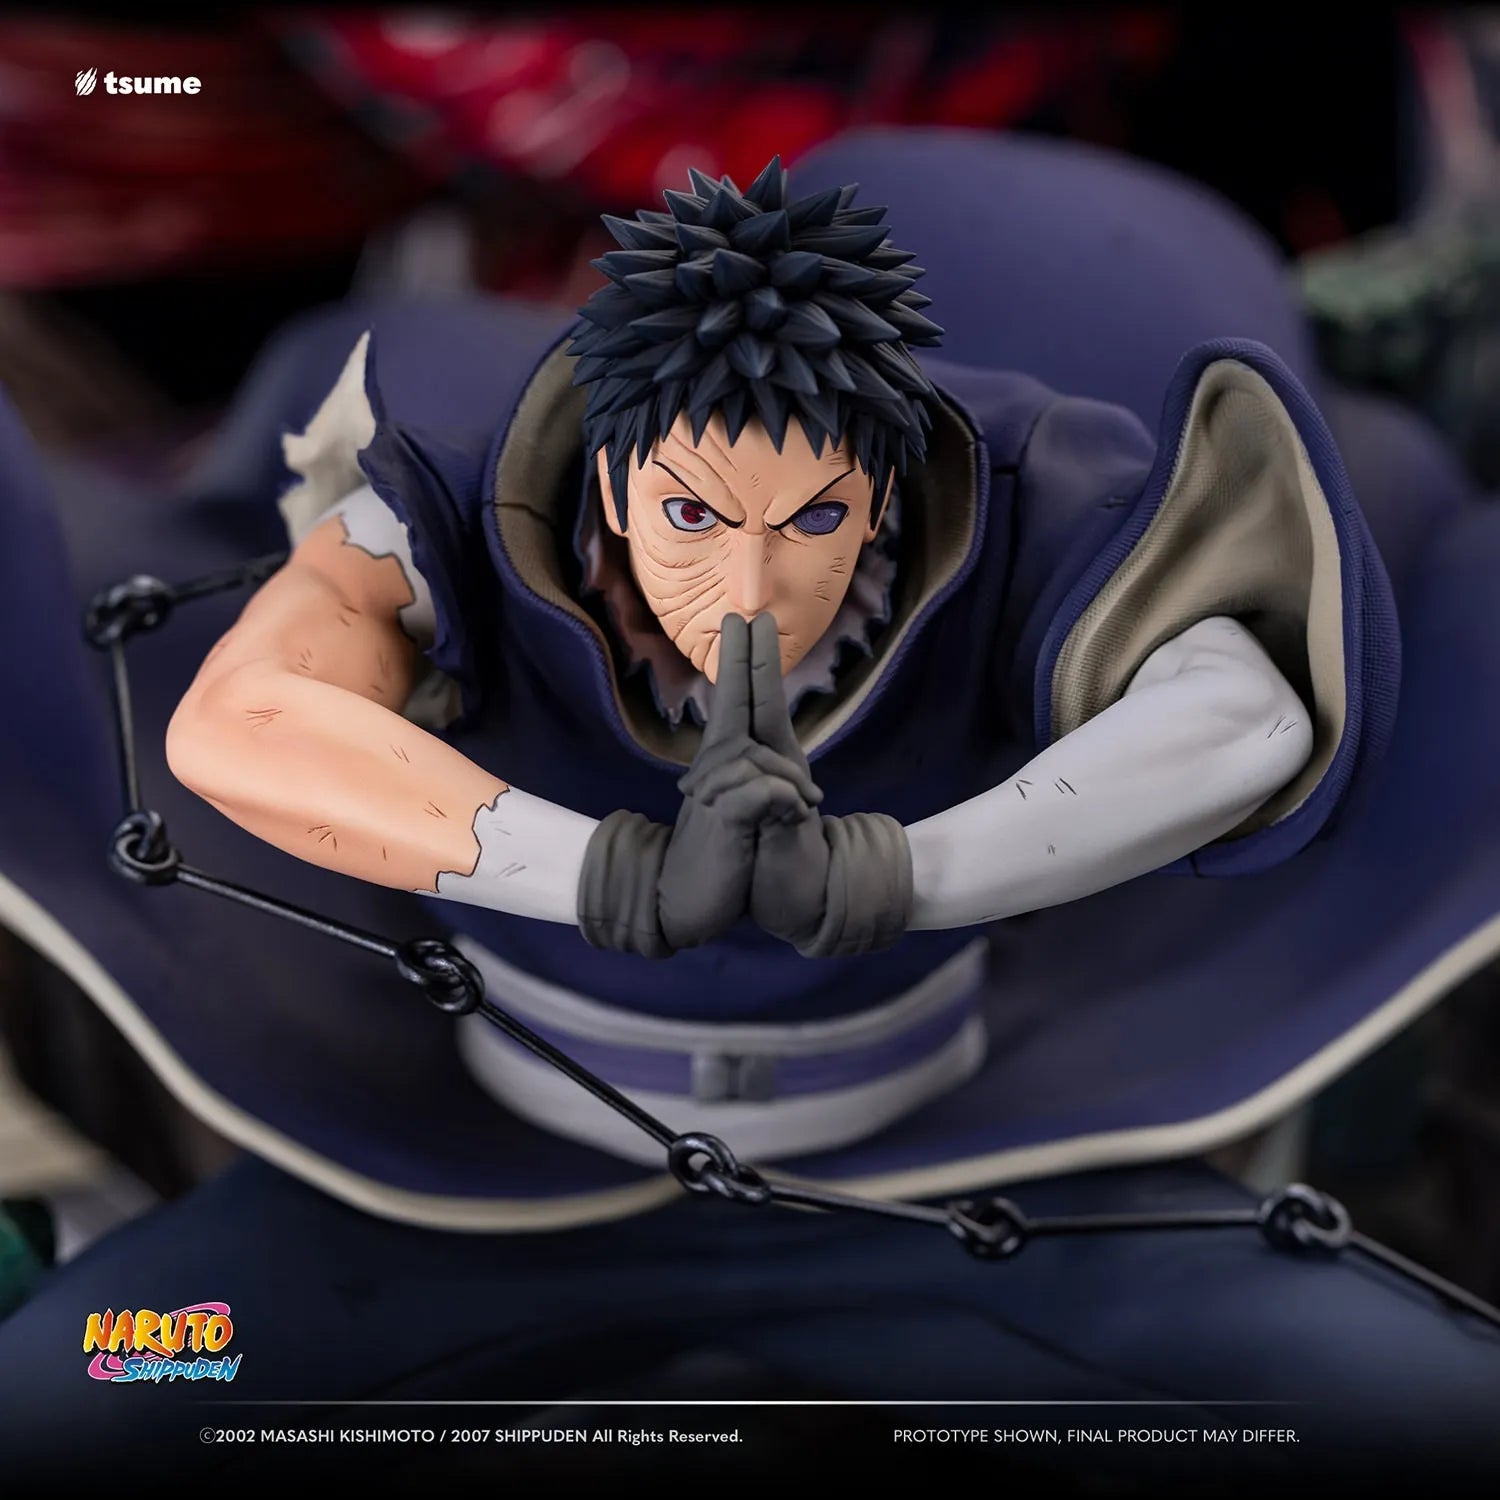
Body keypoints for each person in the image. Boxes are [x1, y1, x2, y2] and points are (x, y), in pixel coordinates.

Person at [2, 152, 1497, 1490]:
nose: (755, 589)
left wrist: (906, 872)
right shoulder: (441, 505)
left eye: (816, 522)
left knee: (1420, 1403)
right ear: (608, 474)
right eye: (695, 519)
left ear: (884, 485)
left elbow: (1243, 704)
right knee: (89, 1378)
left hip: (973, 1200)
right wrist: (610, 874)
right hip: (466, 1206)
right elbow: (239, 718)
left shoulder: (1014, 486)